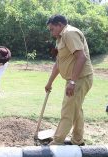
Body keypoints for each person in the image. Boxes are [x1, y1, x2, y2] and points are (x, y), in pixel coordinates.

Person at [45, 15, 93, 145]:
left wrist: (72, 82)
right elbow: (59, 63)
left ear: (60, 25)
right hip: (75, 79)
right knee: (76, 109)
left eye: (52, 29)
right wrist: (49, 82)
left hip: (79, 79)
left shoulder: (69, 33)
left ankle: (57, 141)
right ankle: (78, 140)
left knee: (68, 109)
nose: (51, 32)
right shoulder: (60, 38)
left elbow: (81, 58)